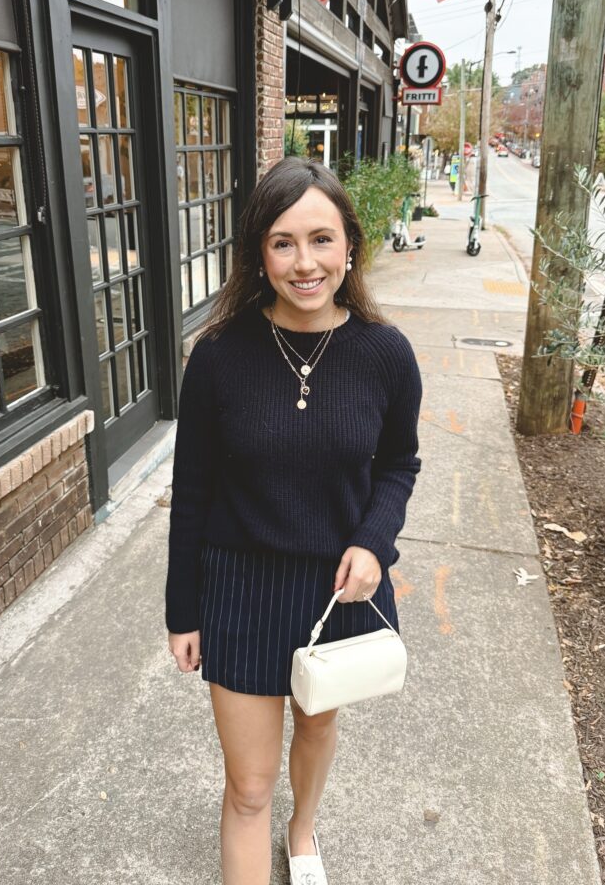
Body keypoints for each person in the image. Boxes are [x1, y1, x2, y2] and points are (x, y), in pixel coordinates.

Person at [166, 156, 422, 885]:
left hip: (335, 588)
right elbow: (192, 492)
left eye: (320, 239)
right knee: (246, 788)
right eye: (282, 242)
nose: (303, 262)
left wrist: (374, 543)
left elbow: (398, 465)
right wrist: (182, 611)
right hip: (238, 589)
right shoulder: (217, 356)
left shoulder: (385, 355)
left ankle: (302, 828)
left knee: (317, 722)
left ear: (349, 246)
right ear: (259, 254)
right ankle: (269, 823)